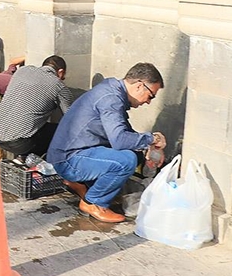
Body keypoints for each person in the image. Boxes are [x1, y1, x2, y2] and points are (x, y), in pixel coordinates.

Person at [47, 62, 168, 223]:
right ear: (140, 86)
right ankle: (93, 203)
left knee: (134, 155)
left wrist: (147, 147)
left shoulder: (111, 90)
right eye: (151, 95)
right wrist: (152, 139)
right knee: (127, 160)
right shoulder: (111, 99)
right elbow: (119, 140)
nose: (148, 102)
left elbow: (125, 133)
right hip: (69, 159)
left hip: (71, 153)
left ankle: (80, 183)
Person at [0, 55, 73, 159]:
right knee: (62, 133)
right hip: (20, 142)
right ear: (60, 72)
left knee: (41, 128)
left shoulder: (23, 70)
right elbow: (71, 119)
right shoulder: (58, 86)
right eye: (63, 76)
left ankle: (25, 159)